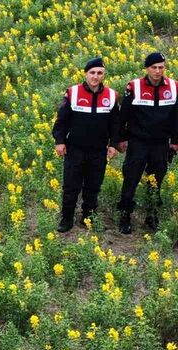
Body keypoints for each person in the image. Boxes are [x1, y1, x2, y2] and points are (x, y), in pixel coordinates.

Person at [52, 57, 119, 233]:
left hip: (98, 150)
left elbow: (115, 124)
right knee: (71, 186)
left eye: (99, 73)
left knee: (93, 186)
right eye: (92, 73)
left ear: (104, 75)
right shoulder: (73, 92)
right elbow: (61, 120)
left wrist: (113, 144)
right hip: (75, 149)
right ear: (86, 73)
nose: (95, 76)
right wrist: (59, 141)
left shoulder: (111, 95)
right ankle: (67, 218)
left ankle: (88, 217)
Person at [116, 52, 178, 234]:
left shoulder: (174, 87)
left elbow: (176, 117)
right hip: (138, 143)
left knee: (156, 181)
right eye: (154, 67)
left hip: (161, 144)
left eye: (161, 67)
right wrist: (121, 138)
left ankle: (152, 216)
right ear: (147, 68)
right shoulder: (134, 86)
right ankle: (125, 215)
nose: (158, 71)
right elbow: (124, 115)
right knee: (131, 180)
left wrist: (175, 141)